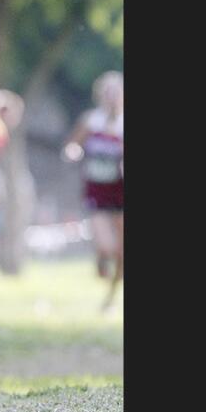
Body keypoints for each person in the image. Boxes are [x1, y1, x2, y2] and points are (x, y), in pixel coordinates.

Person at [66, 70, 124, 312]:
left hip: (120, 190)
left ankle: (111, 296)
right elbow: (73, 144)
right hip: (97, 191)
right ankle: (101, 260)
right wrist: (73, 152)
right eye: (107, 92)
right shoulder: (91, 121)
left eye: (116, 92)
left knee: (121, 250)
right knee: (106, 246)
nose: (111, 97)